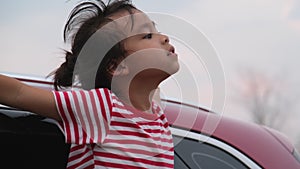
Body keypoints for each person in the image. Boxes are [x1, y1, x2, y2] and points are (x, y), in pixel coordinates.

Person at [0, 0, 179, 168]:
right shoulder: (103, 108)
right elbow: (18, 93)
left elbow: (151, 92)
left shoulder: (158, 118)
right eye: (147, 35)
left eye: (156, 30)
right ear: (117, 66)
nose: (164, 38)